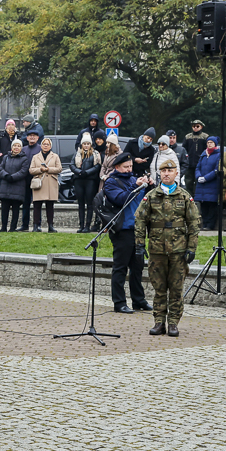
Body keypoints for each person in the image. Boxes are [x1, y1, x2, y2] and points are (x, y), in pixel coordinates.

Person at [134, 158, 200, 337]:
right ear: (159, 174)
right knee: (159, 287)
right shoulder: (152, 196)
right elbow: (140, 219)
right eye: (163, 171)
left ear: (176, 173)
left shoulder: (185, 196)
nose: (166, 173)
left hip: (178, 250)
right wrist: (139, 244)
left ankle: (173, 323)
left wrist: (191, 248)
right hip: (157, 250)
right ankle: (159, 322)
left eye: (170, 171)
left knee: (176, 288)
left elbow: (194, 223)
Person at [105, 154, 153, 313]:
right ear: (117, 167)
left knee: (137, 267)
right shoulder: (111, 182)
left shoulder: (134, 180)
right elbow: (121, 199)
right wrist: (136, 186)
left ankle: (138, 300)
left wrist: (150, 186)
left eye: (131, 166)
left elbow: (146, 199)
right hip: (122, 230)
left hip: (138, 229)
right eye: (126, 167)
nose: (129, 169)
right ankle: (119, 302)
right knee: (120, 267)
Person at [0, 138, 29, 232]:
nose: (16, 147)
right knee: (4, 209)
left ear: (21, 148)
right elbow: (0, 168)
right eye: (15, 145)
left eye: (18, 146)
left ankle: (12, 228)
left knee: (15, 209)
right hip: (5, 186)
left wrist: (13, 177)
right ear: (12, 147)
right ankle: (3, 227)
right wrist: (6, 175)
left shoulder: (24, 159)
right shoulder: (6, 157)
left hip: (17, 187)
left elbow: (23, 171)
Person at [70, 133, 101, 233]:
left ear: (91, 144)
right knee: (81, 203)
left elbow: (97, 166)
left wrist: (87, 172)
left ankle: (88, 225)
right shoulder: (77, 153)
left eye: (88, 143)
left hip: (90, 180)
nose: (86, 145)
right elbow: (72, 165)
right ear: (82, 144)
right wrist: (79, 172)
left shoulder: (95, 154)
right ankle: (81, 225)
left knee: (90, 203)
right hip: (79, 180)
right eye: (84, 144)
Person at [29, 137, 61, 233]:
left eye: (48, 144)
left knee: (50, 206)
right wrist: (40, 169)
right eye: (44, 144)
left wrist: (48, 169)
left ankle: (50, 226)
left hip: (51, 183)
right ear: (41, 145)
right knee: (37, 206)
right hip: (39, 183)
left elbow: (59, 169)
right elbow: (31, 170)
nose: (46, 146)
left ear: (50, 146)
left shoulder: (55, 156)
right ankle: (35, 226)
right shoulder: (35, 157)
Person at [193, 136, 221, 230]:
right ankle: (204, 224)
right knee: (203, 205)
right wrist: (198, 176)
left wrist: (206, 178)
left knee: (211, 205)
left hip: (211, 184)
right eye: (208, 142)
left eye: (211, 142)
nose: (209, 144)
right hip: (202, 185)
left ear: (215, 144)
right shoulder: (203, 154)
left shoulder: (218, 155)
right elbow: (198, 167)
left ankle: (210, 225)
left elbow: (216, 169)